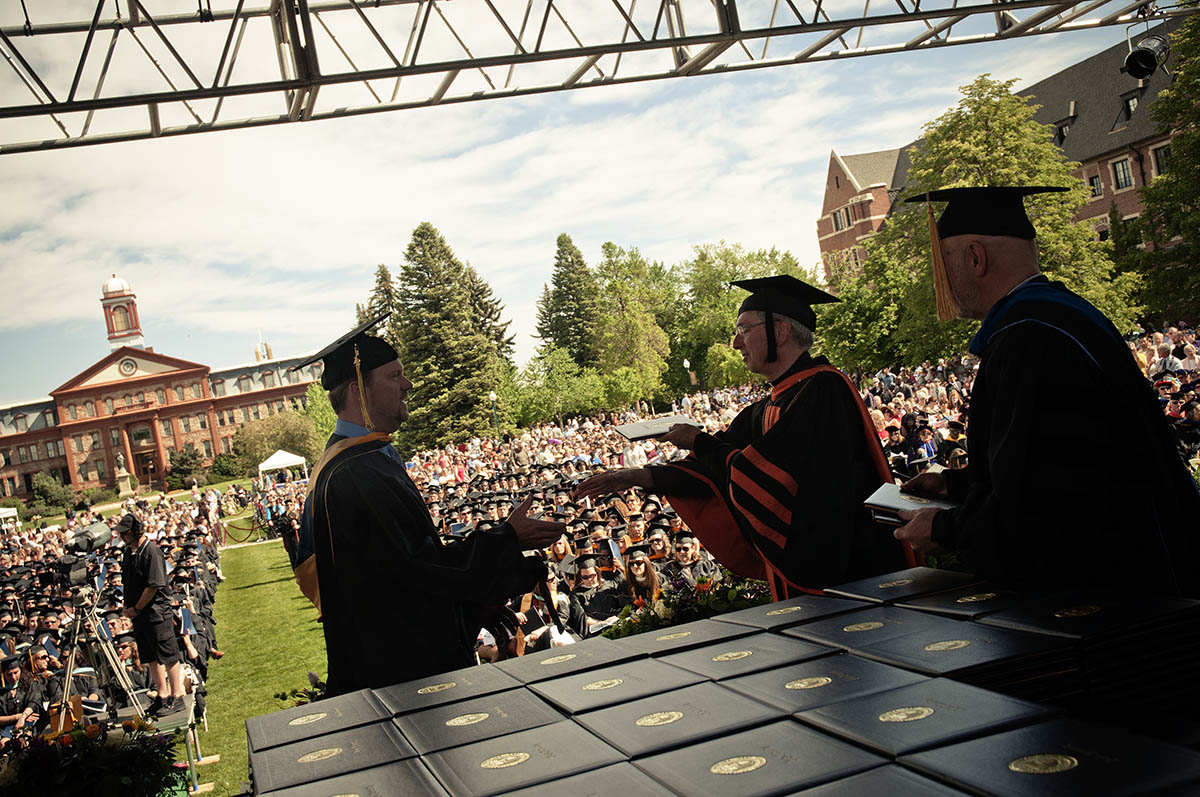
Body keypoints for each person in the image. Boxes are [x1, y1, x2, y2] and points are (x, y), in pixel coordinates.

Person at [894, 186, 1200, 597]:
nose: (941, 281)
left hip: (1119, 594)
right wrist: (958, 485)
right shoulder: (1058, 316)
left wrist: (948, 529)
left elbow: (1050, 504)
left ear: (974, 257)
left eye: (943, 263)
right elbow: (1065, 461)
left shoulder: (1030, 339)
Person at [576, 275, 911, 598]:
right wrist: (640, 476)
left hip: (848, 571)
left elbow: (766, 471)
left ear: (779, 331)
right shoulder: (770, 404)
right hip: (811, 574)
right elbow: (714, 468)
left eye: (742, 330)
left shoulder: (824, 390)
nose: (735, 343)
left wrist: (700, 441)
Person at [292, 314, 564, 694]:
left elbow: (395, 579)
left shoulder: (357, 462)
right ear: (358, 390)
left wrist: (470, 610)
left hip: (396, 661)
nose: (408, 384)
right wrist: (505, 539)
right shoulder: (355, 475)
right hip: (399, 682)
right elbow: (413, 572)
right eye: (394, 376)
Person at [117, 513, 187, 716]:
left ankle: (177, 695)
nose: (122, 537)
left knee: (167, 654)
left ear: (135, 531)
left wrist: (137, 608)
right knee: (149, 656)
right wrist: (129, 608)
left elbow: (153, 586)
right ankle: (162, 695)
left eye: (125, 533)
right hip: (139, 615)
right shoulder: (129, 553)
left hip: (156, 612)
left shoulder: (152, 552)